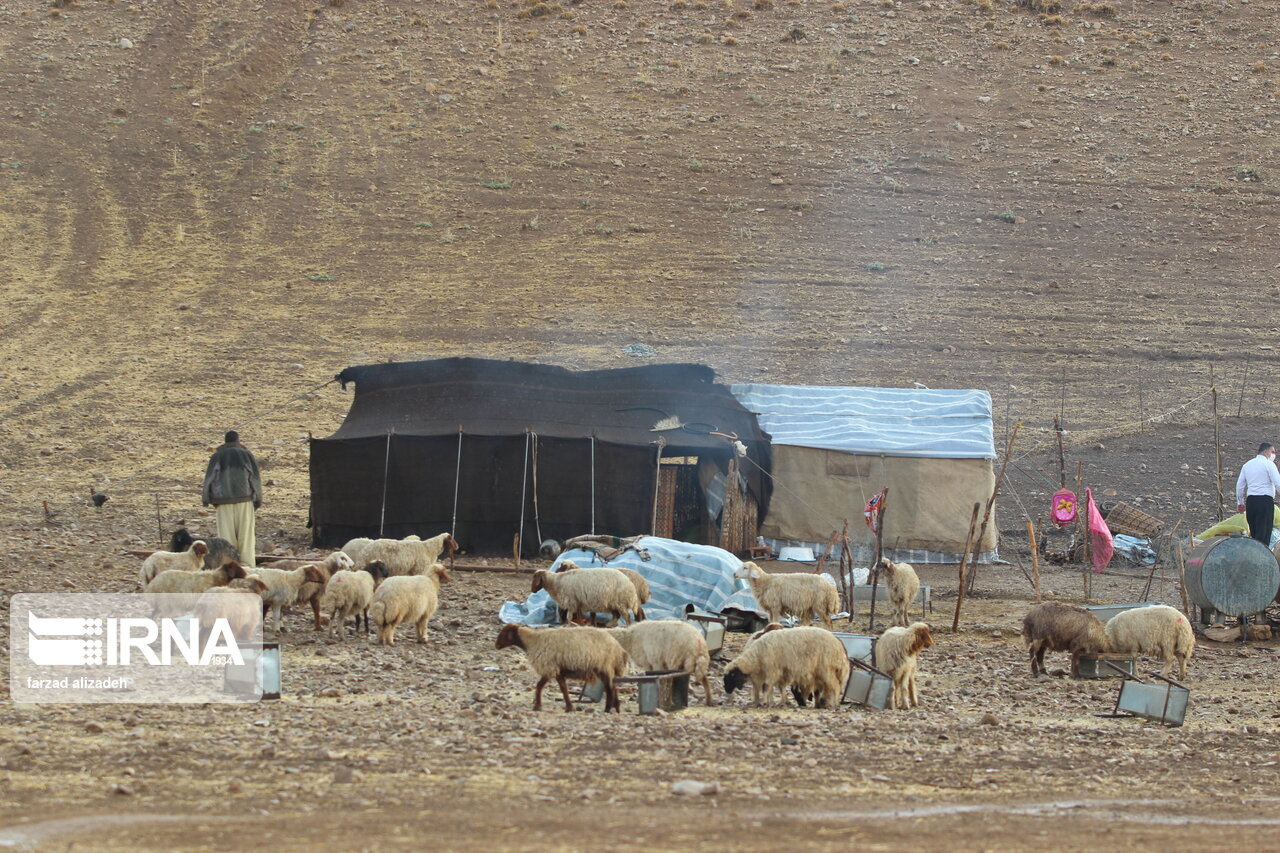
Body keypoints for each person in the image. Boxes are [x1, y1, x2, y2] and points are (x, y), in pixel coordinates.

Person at [202, 430, 262, 568]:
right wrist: (258, 499)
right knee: (246, 538)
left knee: (226, 538)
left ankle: (229, 568)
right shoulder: (246, 455)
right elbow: (255, 478)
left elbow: (210, 478)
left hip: (223, 502)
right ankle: (248, 568)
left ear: (225, 441)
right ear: (238, 440)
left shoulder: (217, 456)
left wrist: (207, 499)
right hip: (245, 500)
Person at [1235, 442, 1280, 547]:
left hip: (1251, 501)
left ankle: (1254, 555)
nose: (1274, 455)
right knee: (1264, 534)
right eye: (1272, 452)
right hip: (1264, 501)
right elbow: (1278, 483)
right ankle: (1262, 558)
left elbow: (1240, 485)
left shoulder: (1247, 465)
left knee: (1254, 532)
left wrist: (1240, 502)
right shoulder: (1269, 464)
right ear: (1265, 452)